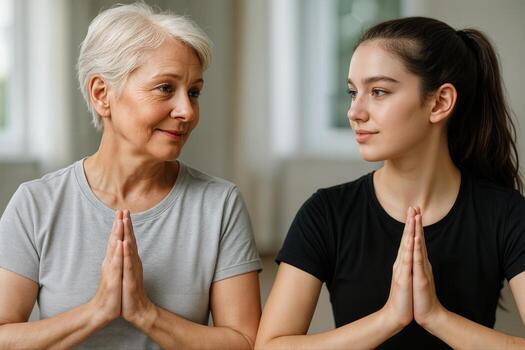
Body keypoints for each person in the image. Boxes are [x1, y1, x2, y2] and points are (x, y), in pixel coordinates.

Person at [0, 3, 261, 349]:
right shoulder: (37, 203)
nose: (187, 111)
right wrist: (97, 311)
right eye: (165, 88)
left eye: (194, 92)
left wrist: (145, 313)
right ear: (101, 94)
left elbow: (243, 342)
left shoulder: (219, 204)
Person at [255, 16, 525, 349]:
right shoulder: (326, 213)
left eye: (379, 91)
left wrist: (436, 318)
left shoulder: (506, 213)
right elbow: (270, 346)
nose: (355, 111)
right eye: (353, 92)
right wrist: (388, 319)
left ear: (440, 102)